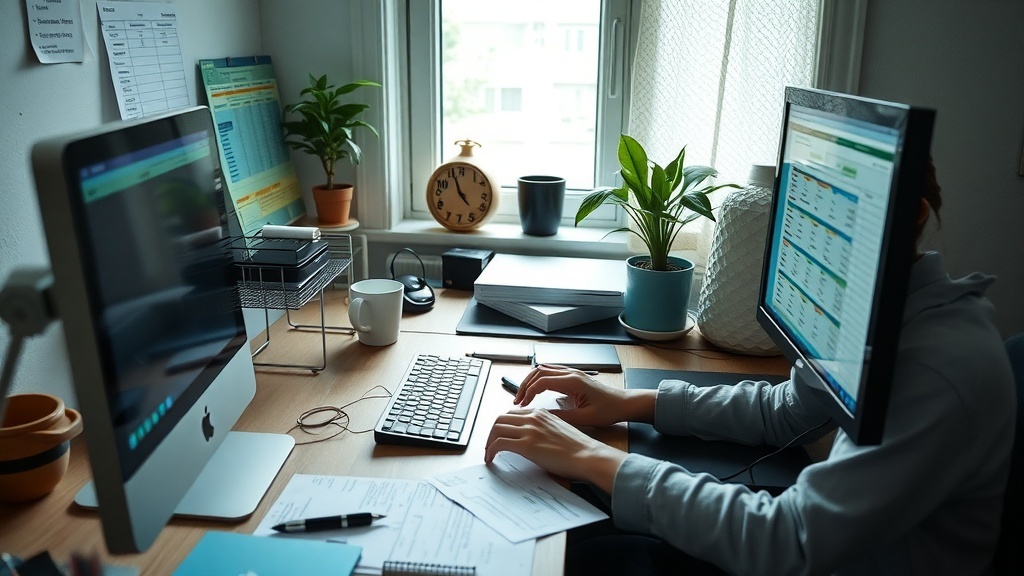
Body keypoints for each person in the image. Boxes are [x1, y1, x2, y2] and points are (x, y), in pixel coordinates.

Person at [484, 163, 1017, 575]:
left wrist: (589, 455)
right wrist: (633, 402)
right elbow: (791, 411)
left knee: (590, 554)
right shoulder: (874, 312)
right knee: (592, 537)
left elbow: (790, 541)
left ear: (911, 217)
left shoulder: (937, 371)